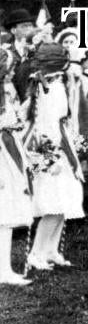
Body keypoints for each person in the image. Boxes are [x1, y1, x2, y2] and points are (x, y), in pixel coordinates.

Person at [24, 43, 85, 269]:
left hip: (58, 148)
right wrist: (51, 157)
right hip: (53, 151)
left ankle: (50, 249)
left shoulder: (53, 84)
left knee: (64, 203)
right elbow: (47, 125)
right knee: (54, 205)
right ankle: (37, 252)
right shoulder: (52, 88)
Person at [0, 48, 33, 285]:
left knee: (7, 212)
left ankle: (5, 267)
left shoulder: (5, 92)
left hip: (8, 150)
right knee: (5, 211)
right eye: (9, 69)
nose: (12, 73)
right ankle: (3, 270)